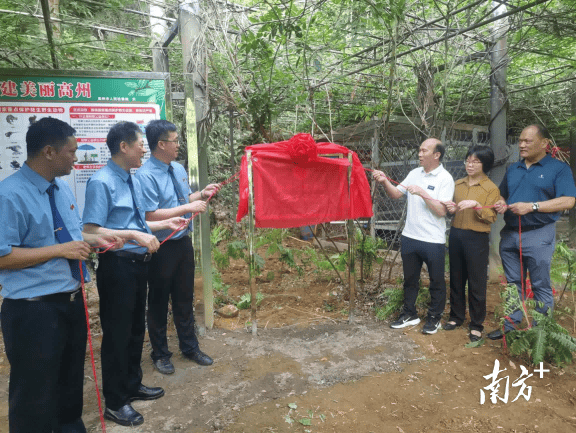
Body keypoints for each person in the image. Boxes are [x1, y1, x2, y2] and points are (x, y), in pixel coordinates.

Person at [0, 118, 122, 432]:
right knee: (34, 393)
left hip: (70, 302)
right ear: (50, 152)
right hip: (33, 309)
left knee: (70, 383)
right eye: (71, 151)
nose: (76, 158)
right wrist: (60, 251)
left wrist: (97, 240)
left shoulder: (61, 188)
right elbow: (3, 257)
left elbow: (70, 237)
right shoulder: (9, 195)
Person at [82, 121, 187, 426]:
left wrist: (164, 224)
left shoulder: (132, 179)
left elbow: (140, 222)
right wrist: (132, 234)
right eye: (140, 144)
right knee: (116, 334)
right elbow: (90, 232)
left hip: (139, 265)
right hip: (117, 268)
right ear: (123, 147)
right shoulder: (101, 182)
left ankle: (132, 384)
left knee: (133, 330)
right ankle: (115, 402)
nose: (145, 149)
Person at [135, 119, 220, 374]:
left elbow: (183, 199)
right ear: (161, 144)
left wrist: (201, 194)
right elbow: (150, 216)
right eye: (175, 141)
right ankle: (160, 353)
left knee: (185, 297)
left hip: (182, 243)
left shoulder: (178, 169)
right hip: (160, 247)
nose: (178, 145)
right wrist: (188, 207)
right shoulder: (145, 175)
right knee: (159, 301)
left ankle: (190, 347)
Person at [487, 125, 576, 340]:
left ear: (544, 143)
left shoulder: (559, 169)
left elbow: (569, 200)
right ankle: (510, 323)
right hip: (509, 234)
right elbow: (502, 196)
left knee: (540, 284)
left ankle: (540, 332)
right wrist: (499, 203)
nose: (522, 145)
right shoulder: (513, 168)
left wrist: (532, 206)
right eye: (520, 140)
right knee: (512, 283)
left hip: (539, 234)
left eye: (527, 141)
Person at [373, 138, 455, 334]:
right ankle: (409, 314)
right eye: (419, 150)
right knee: (410, 279)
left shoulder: (445, 178)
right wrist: (384, 180)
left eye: (424, 151)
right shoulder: (414, 173)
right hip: (410, 237)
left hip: (433, 240)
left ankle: (434, 317)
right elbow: (396, 194)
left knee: (436, 280)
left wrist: (423, 193)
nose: (419, 154)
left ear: (437, 155)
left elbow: (441, 212)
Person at [443, 146, 499, 342]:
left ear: (485, 164)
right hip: (457, 234)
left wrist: (476, 206)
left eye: (476, 161)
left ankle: (476, 324)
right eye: (468, 160)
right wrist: (450, 208)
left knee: (477, 282)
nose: (470, 164)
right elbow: (451, 209)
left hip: (477, 238)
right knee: (456, 279)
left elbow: (492, 217)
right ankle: (456, 317)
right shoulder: (457, 184)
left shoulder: (490, 188)